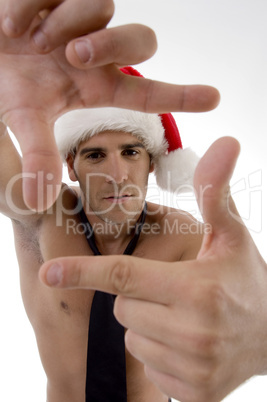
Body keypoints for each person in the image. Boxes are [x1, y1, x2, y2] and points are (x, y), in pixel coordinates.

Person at [0, 0, 220, 212]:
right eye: (95, 156)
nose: (117, 176)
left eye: (131, 152)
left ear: (152, 163)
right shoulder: (40, 213)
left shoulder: (185, 238)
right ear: (70, 166)